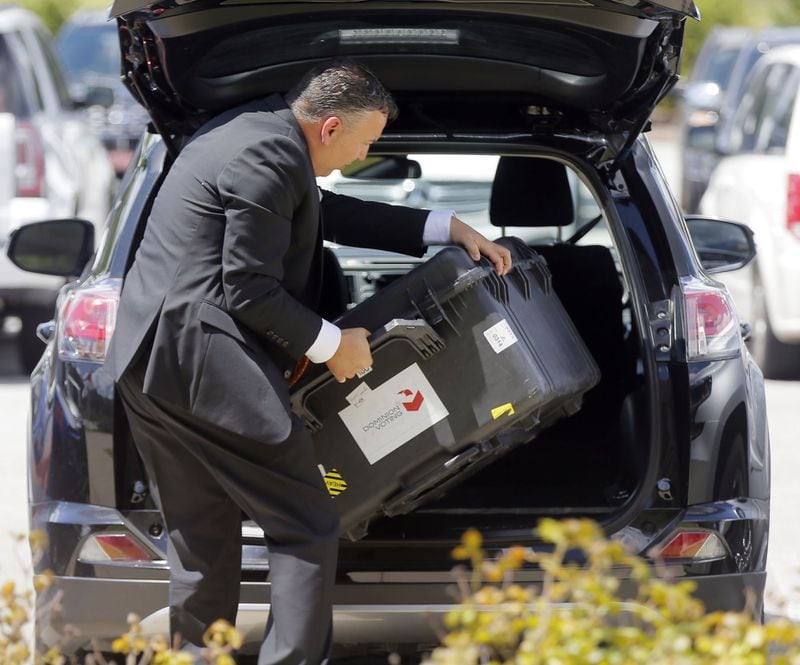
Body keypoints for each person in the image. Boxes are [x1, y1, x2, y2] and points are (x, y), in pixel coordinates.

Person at [105, 59, 512, 665]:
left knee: (201, 539)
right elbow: (247, 288)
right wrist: (331, 343)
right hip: (202, 361)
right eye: (364, 143)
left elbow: (325, 211)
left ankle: (194, 656)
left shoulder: (255, 133)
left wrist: (443, 226)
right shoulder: (267, 158)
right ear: (328, 128)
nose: (361, 156)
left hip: (150, 361)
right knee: (305, 524)